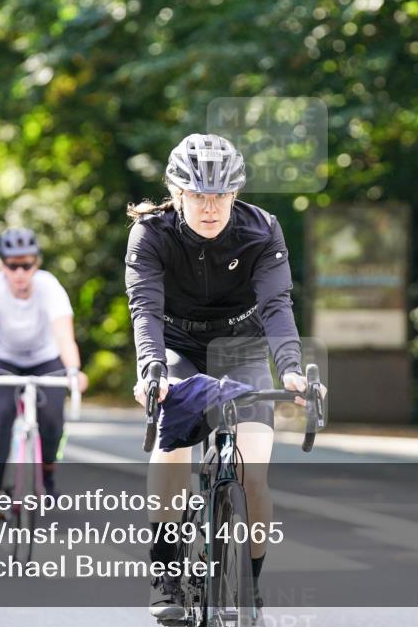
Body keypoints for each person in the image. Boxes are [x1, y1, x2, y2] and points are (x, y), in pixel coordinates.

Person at [125, 133, 310, 622]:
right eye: (198, 195)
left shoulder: (262, 229)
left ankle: (250, 586)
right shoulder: (151, 233)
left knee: (254, 467)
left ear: (236, 193)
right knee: (173, 450)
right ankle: (166, 572)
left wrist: (291, 369)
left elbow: (276, 305)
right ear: (176, 192)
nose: (210, 208)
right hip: (176, 346)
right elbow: (144, 308)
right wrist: (152, 370)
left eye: (221, 195)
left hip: (239, 347)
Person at [0, 228, 88, 521]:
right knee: (0, 416)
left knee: (52, 418)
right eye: (12, 265)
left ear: (36, 264)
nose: (20, 272)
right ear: (2, 266)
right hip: (4, 359)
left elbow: (63, 335)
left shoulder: (50, 287)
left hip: (45, 358)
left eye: (27, 265)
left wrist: (74, 371)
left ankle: (47, 472)